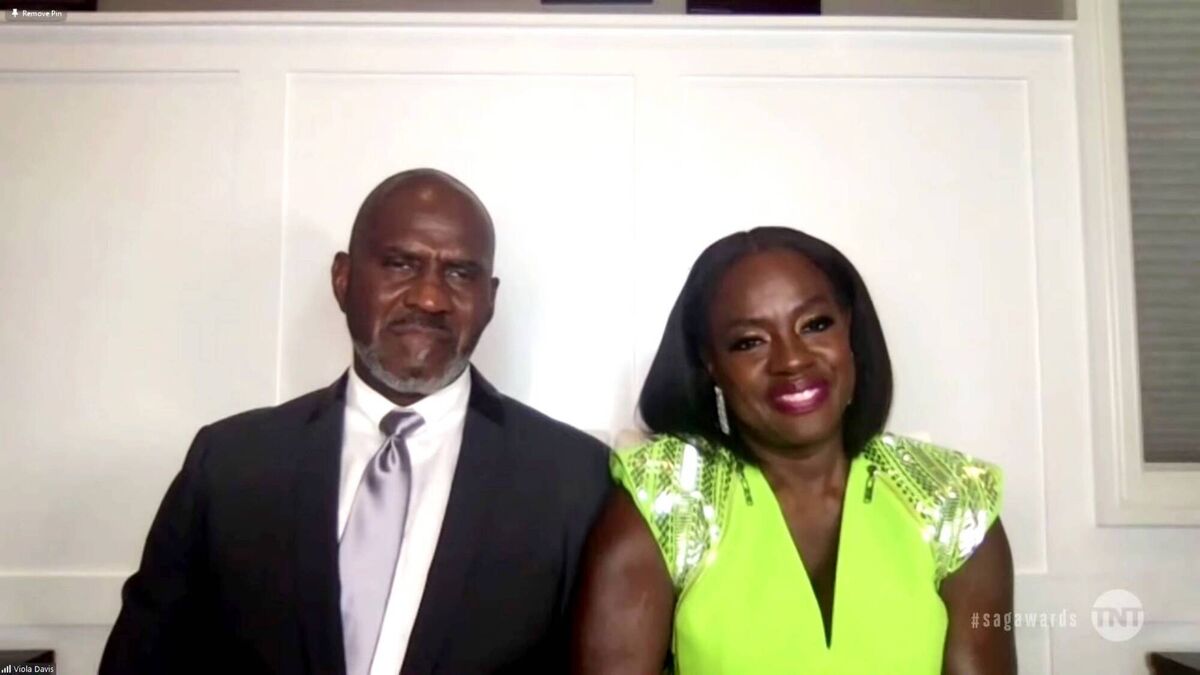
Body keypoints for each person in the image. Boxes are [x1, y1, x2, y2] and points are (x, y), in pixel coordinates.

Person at [101, 168, 611, 675]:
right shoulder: (229, 464)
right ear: (342, 280)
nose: (430, 298)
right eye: (401, 264)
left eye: (460, 273)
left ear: (490, 300)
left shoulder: (575, 481)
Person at [571, 227, 1015, 674]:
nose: (792, 360)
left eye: (815, 325)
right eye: (750, 342)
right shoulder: (667, 496)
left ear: (850, 331)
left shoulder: (951, 500)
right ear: (711, 365)